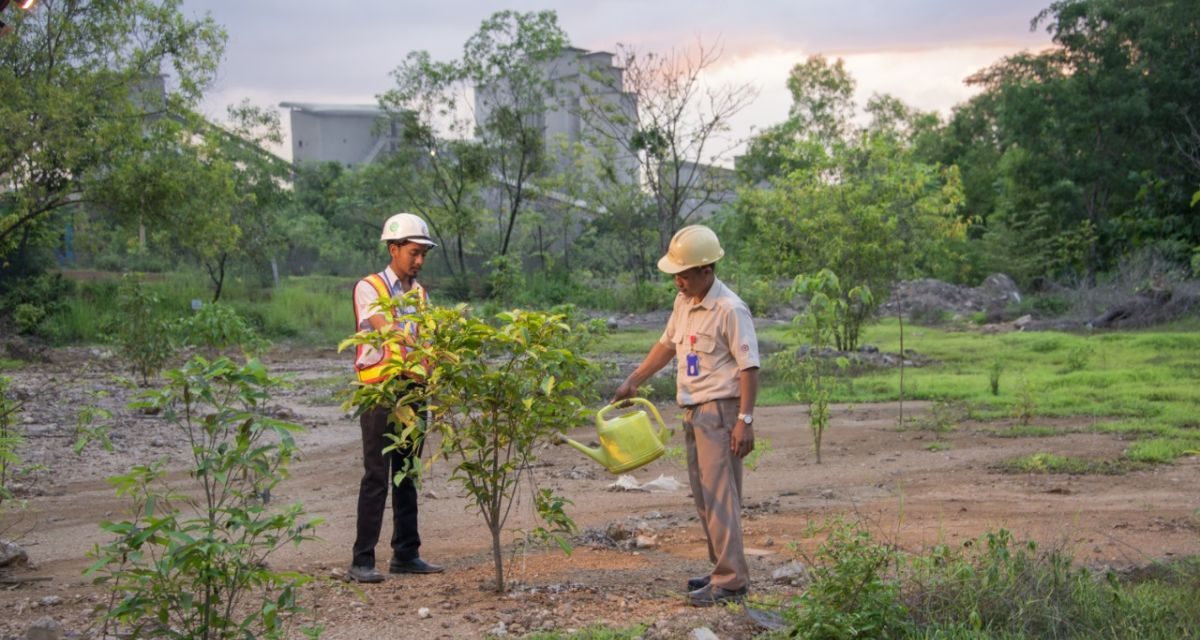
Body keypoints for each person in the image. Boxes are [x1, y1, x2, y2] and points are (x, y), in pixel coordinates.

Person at [612, 225, 759, 607]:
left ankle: (731, 579)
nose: (677, 281)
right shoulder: (685, 303)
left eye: (684, 273)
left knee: (721, 495)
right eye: (675, 274)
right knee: (704, 496)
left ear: (707, 271)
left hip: (721, 410)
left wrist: (744, 420)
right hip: (693, 411)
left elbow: (749, 368)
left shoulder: (730, 309)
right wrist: (635, 379)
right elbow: (666, 346)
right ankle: (720, 570)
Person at [346, 212, 444, 583]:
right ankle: (362, 560)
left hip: (413, 390)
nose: (419, 261)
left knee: (407, 473)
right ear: (394, 248)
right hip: (379, 392)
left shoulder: (420, 295)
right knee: (376, 474)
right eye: (413, 253)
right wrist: (424, 348)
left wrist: (433, 364)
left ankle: (406, 553)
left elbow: (428, 337)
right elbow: (387, 331)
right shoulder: (369, 288)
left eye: (423, 255)